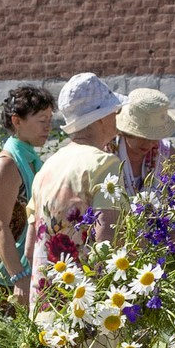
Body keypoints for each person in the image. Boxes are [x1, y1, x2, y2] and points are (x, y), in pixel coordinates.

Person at [21, 71, 124, 299]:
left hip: (44, 310)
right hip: (84, 313)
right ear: (101, 118)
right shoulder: (105, 164)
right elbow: (106, 241)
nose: (117, 116)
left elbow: (30, 250)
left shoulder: (48, 166)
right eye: (114, 111)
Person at [0, 85, 53, 301]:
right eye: (42, 120)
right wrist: (18, 277)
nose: (48, 126)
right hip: (7, 271)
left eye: (50, 119)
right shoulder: (6, 165)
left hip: (31, 265)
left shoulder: (32, 160)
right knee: (3, 332)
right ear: (17, 121)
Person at [115, 88, 175, 191]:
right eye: (143, 137)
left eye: (154, 137)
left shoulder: (167, 154)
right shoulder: (109, 151)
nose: (149, 144)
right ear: (127, 132)